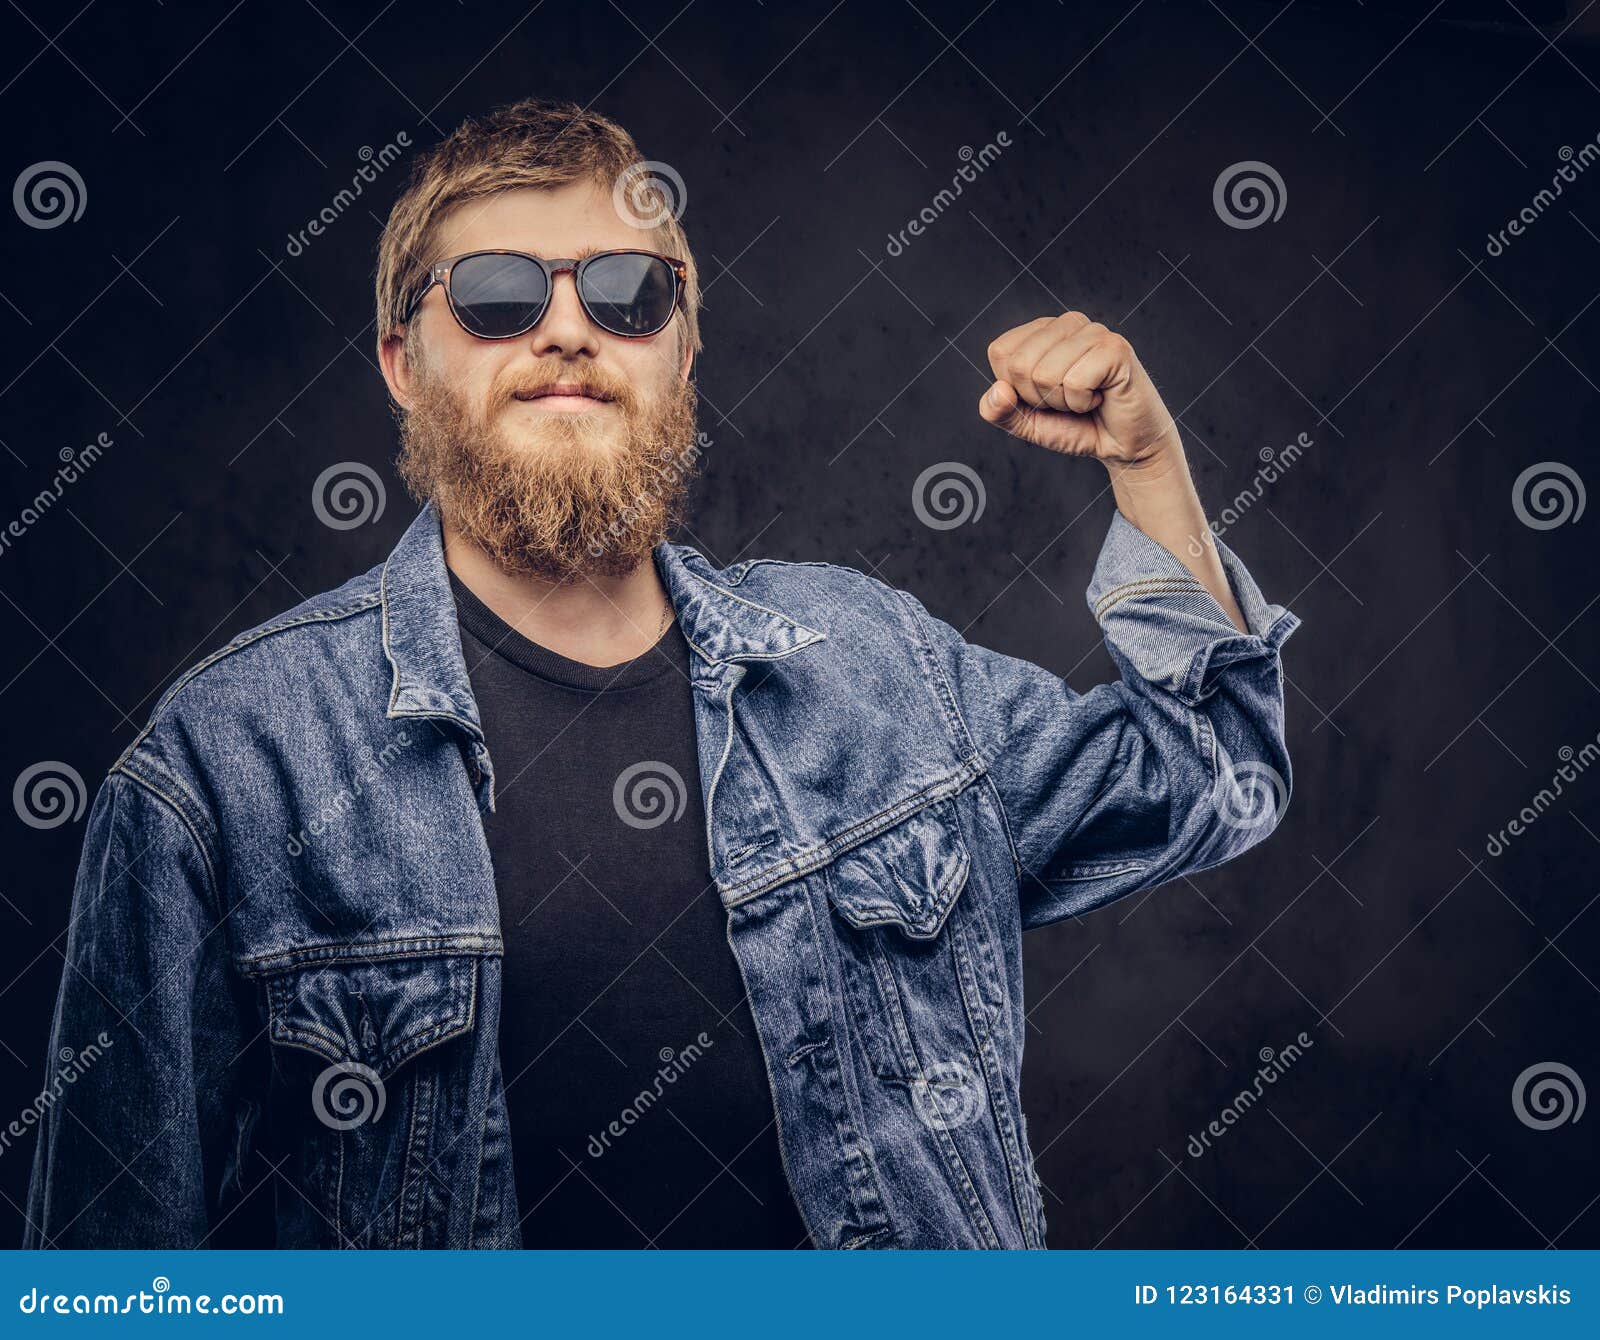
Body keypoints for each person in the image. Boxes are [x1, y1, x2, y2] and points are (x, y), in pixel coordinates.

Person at [24, 97, 1297, 1250]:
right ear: (405, 362)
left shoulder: (879, 667)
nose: (569, 328)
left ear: (682, 352)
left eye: (630, 292)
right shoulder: (230, 759)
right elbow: (113, 1264)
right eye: (498, 294)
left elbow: (1216, 771)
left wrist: (1148, 465)